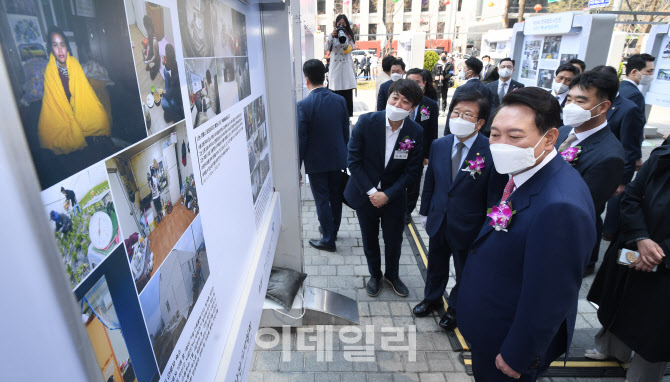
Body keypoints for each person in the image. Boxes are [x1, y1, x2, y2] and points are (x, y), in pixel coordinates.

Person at [458, 87, 597, 381]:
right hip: (492, 322)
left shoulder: (560, 205)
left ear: (549, 138)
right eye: (495, 134)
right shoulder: (527, 175)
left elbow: (550, 295)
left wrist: (518, 355)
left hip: (507, 344)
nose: (500, 144)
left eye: (515, 136)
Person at [413, 90, 506, 331]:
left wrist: (487, 229)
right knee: (435, 265)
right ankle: (432, 299)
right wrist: (424, 211)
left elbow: (494, 195)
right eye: (456, 112)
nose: (459, 118)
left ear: (480, 122)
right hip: (439, 219)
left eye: (467, 115)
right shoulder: (439, 144)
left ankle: (455, 306)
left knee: (464, 270)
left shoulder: (491, 151)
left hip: (469, 224)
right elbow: (431, 181)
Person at [586, 144, 670, 382]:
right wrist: (642, 238)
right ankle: (613, 351)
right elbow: (631, 196)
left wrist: (661, 251)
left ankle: (642, 376)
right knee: (620, 299)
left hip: (663, 258)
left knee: (656, 327)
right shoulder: (662, 157)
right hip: (637, 243)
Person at [345, 79, 424, 298]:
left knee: (394, 240)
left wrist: (387, 194)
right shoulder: (366, 121)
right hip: (365, 195)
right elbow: (353, 160)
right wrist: (372, 193)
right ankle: (375, 275)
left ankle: (392, 275)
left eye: (405, 102)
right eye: (395, 98)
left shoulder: (415, 131)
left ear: (413, 107)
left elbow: (412, 171)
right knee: (369, 238)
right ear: (388, 98)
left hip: (394, 197)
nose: (398, 105)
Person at [555, 71, 625, 277]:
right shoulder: (563, 131)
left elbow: (582, 209)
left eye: (581, 101)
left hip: (563, 237)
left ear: (603, 107)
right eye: (569, 100)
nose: (571, 106)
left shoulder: (609, 156)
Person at [297, 59, 350, 252]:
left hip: (316, 162)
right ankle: (332, 230)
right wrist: (346, 156)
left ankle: (328, 239)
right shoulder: (340, 100)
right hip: (338, 159)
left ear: (306, 79)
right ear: (324, 76)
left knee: (322, 200)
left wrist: (298, 168)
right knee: (335, 198)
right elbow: (346, 131)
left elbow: (301, 139)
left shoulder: (303, 105)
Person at [591, 66, 645, 241]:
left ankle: (591, 261)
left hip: (611, 171)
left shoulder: (629, 109)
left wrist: (622, 182)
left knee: (595, 213)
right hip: (591, 166)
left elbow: (629, 148)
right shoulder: (593, 105)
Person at [38, 26, 110, 155]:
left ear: (67, 47)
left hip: (78, 104)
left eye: (62, 45)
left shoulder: (74, 63)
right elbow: (53, 101)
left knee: (101, 119)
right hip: (61, 109)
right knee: (52, 136)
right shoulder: (50, 71)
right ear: (51, 49)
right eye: (55, 45)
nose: (60, 50)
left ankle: (92, 135)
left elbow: (84, 93)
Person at [405, 68, 439, 222]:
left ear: (423, 84)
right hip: (399, 149)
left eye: (417, 82)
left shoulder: (430, 105)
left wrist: (428, 155)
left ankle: (408, 211)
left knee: (414, 181)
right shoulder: (400, 102)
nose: (413, 85)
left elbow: (433, 131)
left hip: (419, 152)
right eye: (410, 81)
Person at [444, 57, 496, 136]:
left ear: (470, 72)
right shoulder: (487, 89)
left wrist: (447, 133)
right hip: (478, 131)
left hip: (460, 131)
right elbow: (488, 114)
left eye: (464, 68)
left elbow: (452, 111)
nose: (462, 70)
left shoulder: (461, 89)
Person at [326, 15, 357, 117]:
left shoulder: (350, 36)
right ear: (336, 24)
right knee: (335, 95)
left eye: (343, 24)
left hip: (346, 70)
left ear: (347, 24)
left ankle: (348, 118)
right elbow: (326, 48)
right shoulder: (332, 35)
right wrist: (331, 36)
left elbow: (348, 50)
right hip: (335, 70)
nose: (341, 26)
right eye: (339, 24)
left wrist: (344, 39)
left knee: (347, 97)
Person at [161, 43, 184, 123]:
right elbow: (169, 68)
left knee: (163, 103)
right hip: (175, 88)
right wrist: (165, 65)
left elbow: (168, 95)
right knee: (165, 70)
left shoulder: (176, 77)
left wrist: (162, 93)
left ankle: (173, 112)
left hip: (178, 101)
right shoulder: (175, 63)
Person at [143, 15, 161, 80]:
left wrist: (150, 60)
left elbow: (155, 56)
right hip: (151, 54)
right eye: (146, 29)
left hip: (155, 58)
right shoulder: (149, 36)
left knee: (152, 70)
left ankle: (155, 68)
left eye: (148, 29)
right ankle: (149, 61)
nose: (147, 31)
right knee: (144, 53)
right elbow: (148, 45)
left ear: (151, 28)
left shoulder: (154, 41)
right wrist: (147, 55)